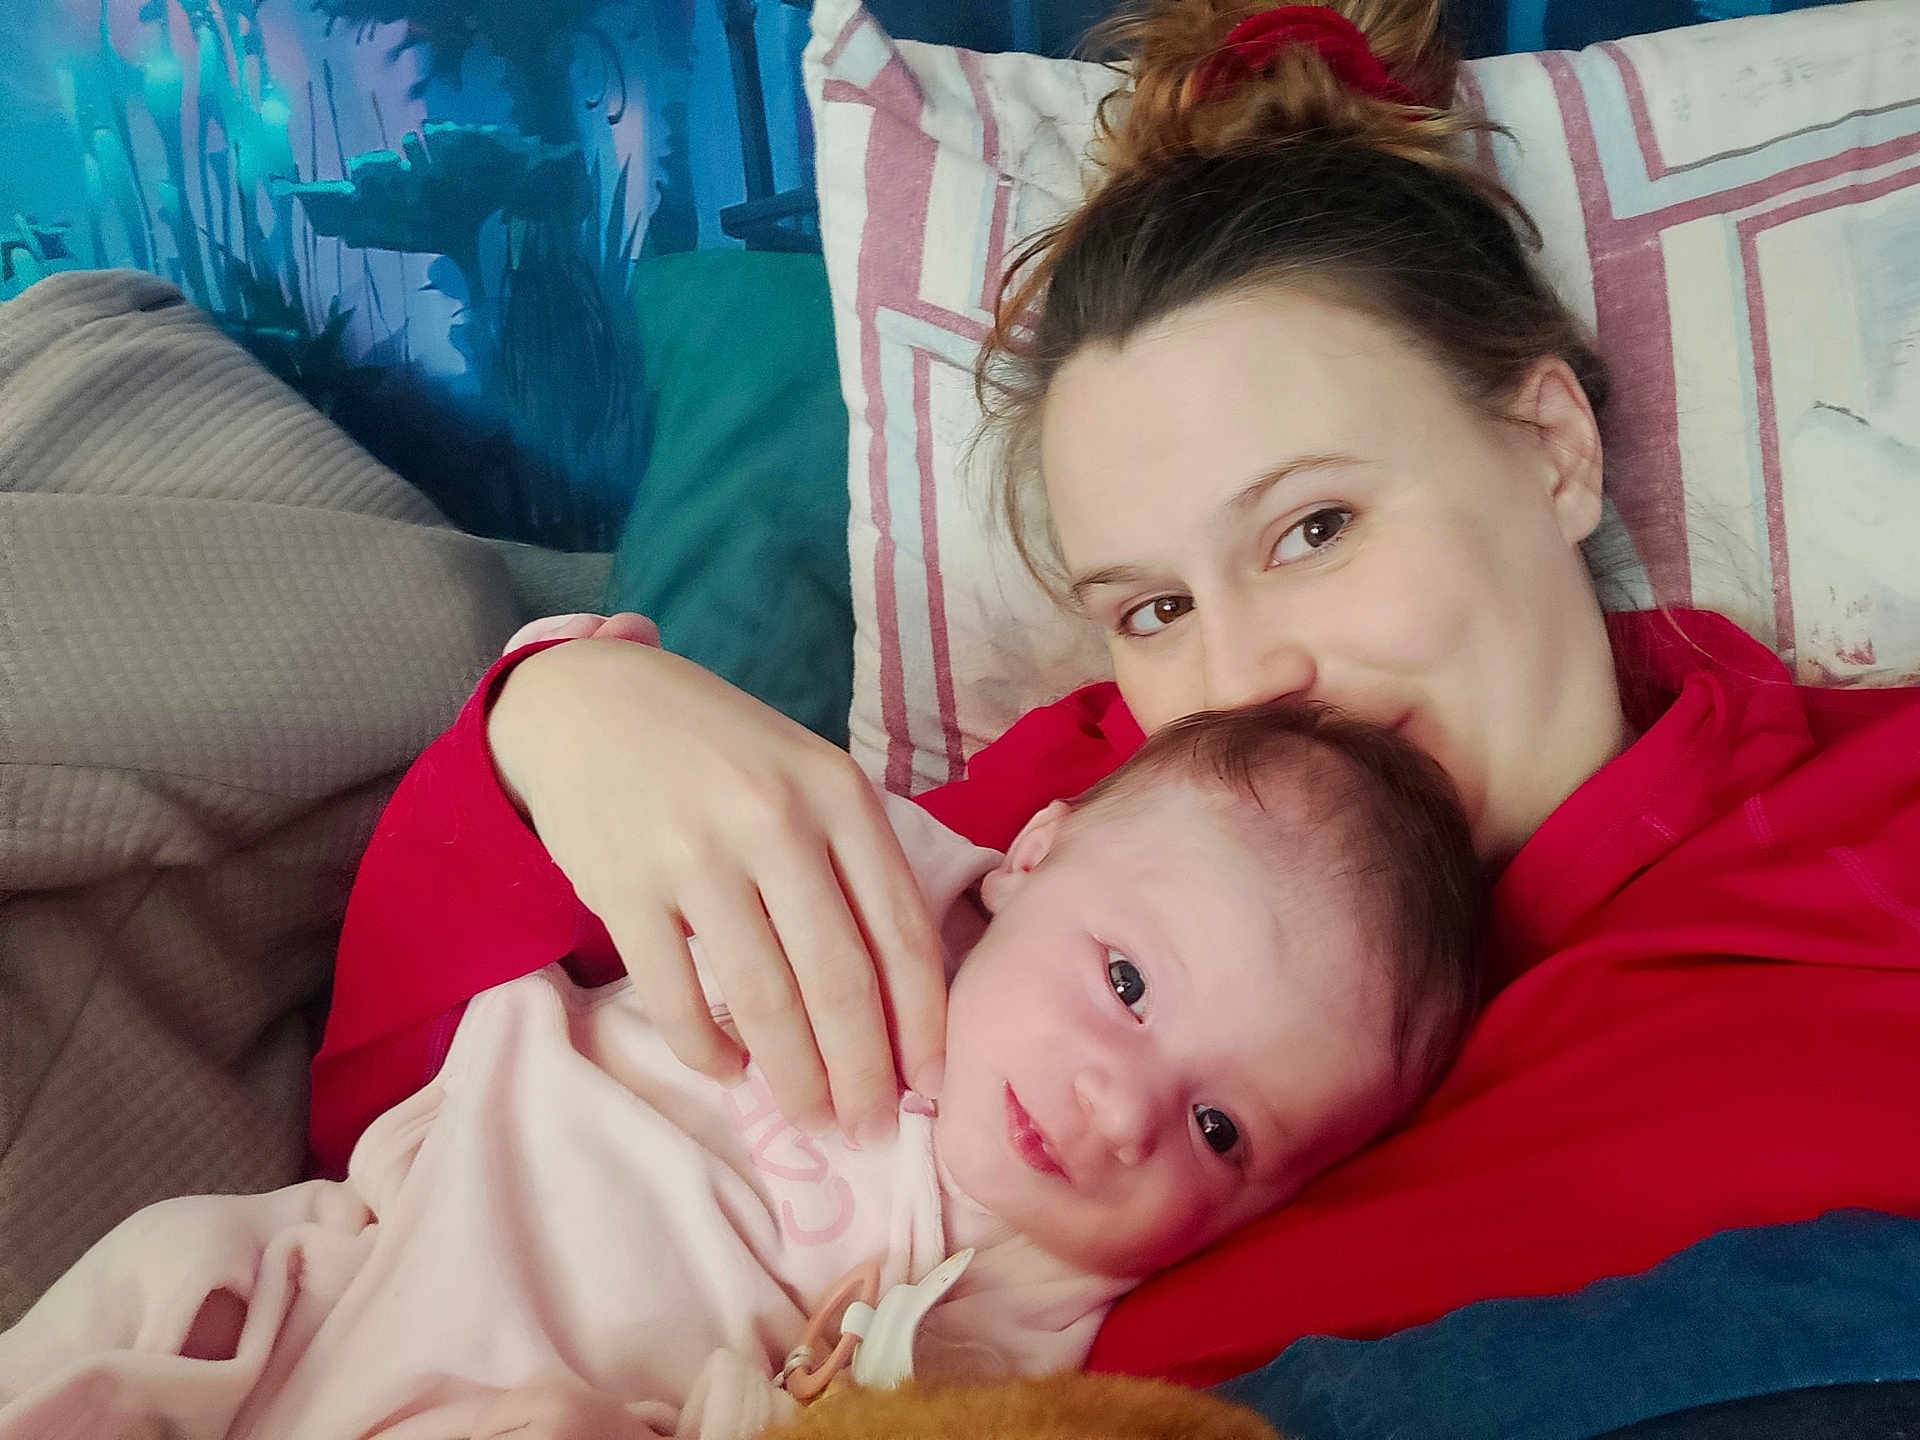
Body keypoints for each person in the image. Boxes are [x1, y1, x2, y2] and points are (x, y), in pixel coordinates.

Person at [305, 0, 1920, 1389]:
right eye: (1151, 606)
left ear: (1552, 445)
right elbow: (424, 1147)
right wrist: (558, 729)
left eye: (1315, 527)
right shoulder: (1084, 818)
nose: (1242, 679)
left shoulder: (1871, 828)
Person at [0, 699, 1481, 1438]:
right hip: (347, 1278)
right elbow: (588, 821)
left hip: (577, 1406)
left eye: (1222, 1127)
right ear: (1033, 857)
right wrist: (567, 686)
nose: (1117, 1111)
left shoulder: (1044, 1291)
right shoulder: (866, 873)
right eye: (1126, 982)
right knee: (160, 1280)